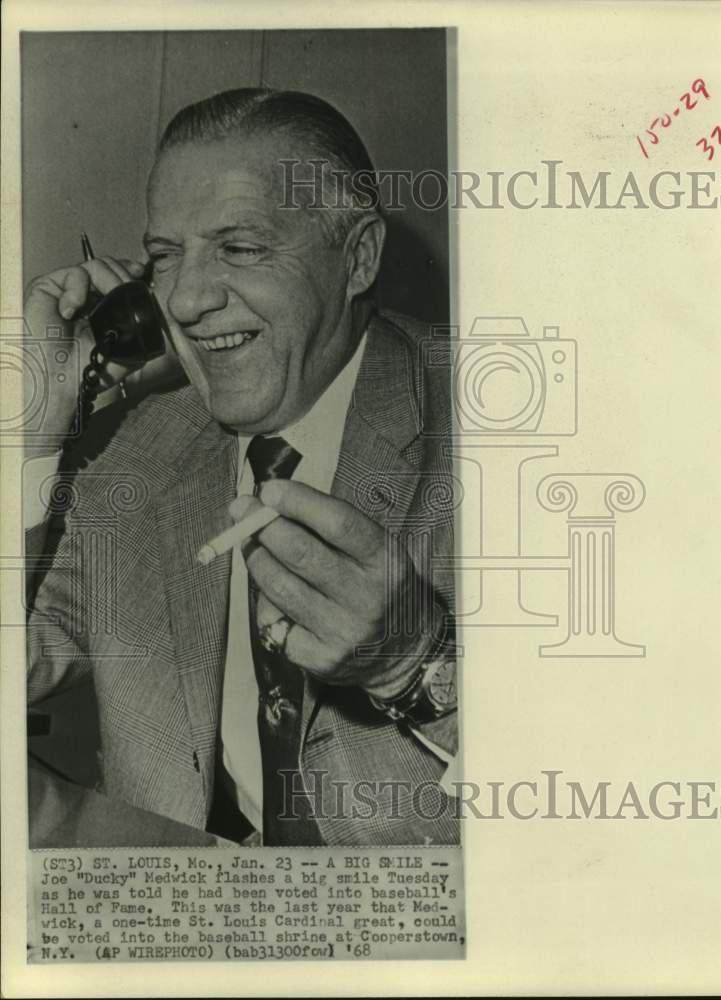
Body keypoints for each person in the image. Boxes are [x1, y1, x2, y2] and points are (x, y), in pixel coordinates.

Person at [24, 88, 459, 847]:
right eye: (164, 257)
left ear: (357, 257)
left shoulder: (513, 427)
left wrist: (413, 665)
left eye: (240, 247)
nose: (185, 301)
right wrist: (34, 426)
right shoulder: (143, 451)